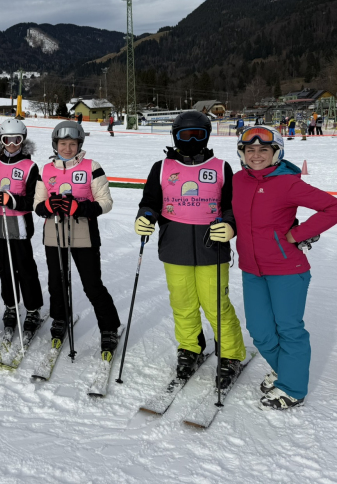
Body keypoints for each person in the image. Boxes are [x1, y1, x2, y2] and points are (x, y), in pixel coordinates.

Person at [135, 111, 246, 387]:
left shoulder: (221, 167)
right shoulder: (161, 167)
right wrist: (145, 216)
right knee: (182, 303)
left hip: (212, 248)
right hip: (175, 247)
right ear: (175, 137)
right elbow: (150, 201)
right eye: (187, 135)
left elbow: (233, 206)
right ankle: (190, 347)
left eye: (200, 134)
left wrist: (231, 225)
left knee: (216, 304)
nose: (193, 140)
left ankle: (230, 354)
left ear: (208, 136)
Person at [233, 126, 337, 409]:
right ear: (242, 153)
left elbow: (332, 208)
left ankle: (292, 388)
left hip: (287, 269)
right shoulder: (238, 180)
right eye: (250, 150)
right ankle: (285, 370)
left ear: (276, 152)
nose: (256, 155)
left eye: (264, 150)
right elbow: (230, 212)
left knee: (289, 329)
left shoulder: (288, 182)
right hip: (251, 269)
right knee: (259, 329)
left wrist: (298, 233)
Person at [33, 121, 121, 358]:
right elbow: (37, 204)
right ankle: (60, 318)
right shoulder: (46, 169)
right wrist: (47, 206)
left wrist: (80, 208)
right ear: (56, 144)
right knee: (56, 281)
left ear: (79, 144)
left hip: (84, 231)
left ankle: (109, 326)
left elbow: (106, 202)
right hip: (54, 231)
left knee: (92, 283)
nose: (68, 148)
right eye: (63, 144)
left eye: (73, 144)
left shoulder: (92, 166)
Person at [0, 119, 43, 335]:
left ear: (23, 140)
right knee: (5, 268)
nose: (12, 144)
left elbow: (34, 200)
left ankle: (32, 309)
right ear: (1, 140)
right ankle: (11, 306)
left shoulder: (30, 166)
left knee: (25, 267)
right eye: (7, 139)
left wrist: (11, 200)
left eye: (17, 139)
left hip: (20, 225)